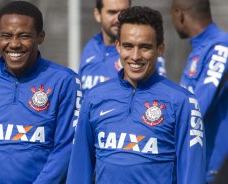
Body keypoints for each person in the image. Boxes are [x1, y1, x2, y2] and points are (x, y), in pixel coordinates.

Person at [67, 6, 205, 184]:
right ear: (118, 46)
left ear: (160, 49)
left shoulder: (183, 102)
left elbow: (192, 176)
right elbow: (79, 170)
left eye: (145, 47)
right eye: (128, 46)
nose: (135, 56)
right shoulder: (94, 98)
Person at [0, 1, 81, 183]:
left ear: (40, 36)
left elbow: (66, 148)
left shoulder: (65, 81)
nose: (14, 44)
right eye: (6, 36)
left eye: (24, 36)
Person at [171, 0, 228, 182]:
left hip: (217, 171)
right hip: (198, 169)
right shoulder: (199, 49)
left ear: (179, 13)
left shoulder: (221, 47)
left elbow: (197, 108)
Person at [80, 0, 167, 94]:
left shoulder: (143, 54)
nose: (118, 18)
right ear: (98, 14)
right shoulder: (91, 46)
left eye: (124, 12)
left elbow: (157, 94)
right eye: (112, 12)